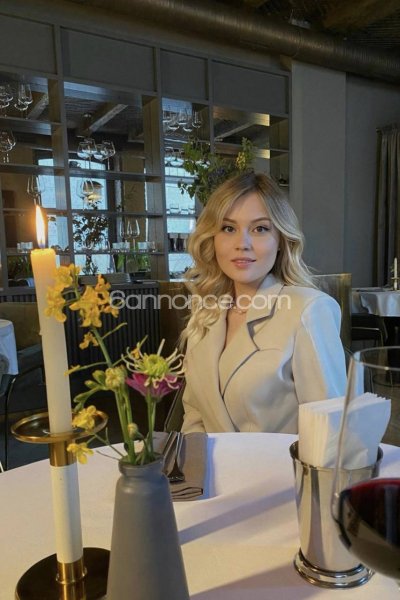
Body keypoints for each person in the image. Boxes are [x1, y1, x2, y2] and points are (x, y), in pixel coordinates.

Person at [180, 172, 346, 434]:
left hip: (283, 462)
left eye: (260, 229)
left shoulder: (308, 310)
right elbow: (194, 414)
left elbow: (331, 430)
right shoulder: (205, 314)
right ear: (213, 238)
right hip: (208, 462)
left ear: (280, 240)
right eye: (228, 228)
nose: (242, 244)